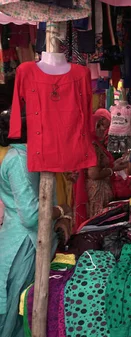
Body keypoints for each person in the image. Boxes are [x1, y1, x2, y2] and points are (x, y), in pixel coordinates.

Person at [0, 109, 72, 337]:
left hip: (31, 242)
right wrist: (61, 211)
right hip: (23, 246)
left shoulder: (29, 156)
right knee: (16, 312)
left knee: (23, 310)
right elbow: (32, 215)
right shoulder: (18, 161)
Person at [75, 109, 128, 225]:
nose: (103, 130)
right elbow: (93, 174)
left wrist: (115, 165)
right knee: (98, 221)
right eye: (100, 126)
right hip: (97, 192)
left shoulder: (96, 143)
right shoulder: (93, 146)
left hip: (101, 191)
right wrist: (111, 170)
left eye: (105, 126)